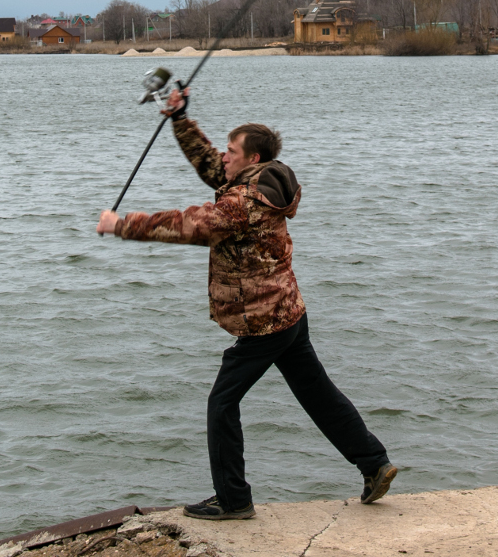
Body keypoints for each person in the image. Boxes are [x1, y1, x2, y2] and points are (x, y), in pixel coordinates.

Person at [96, 86, 396, 521]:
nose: (224, 156)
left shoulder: (243, 202)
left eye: (232, 151)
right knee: (318, 394)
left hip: (263, 323)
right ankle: (374, 464)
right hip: (288, 312)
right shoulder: (259, 181)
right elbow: (211, 164)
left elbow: (192, 225)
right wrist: (180, 119)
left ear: (252, 158)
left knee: (221, 404)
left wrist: (122, 224)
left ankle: (234, 499)